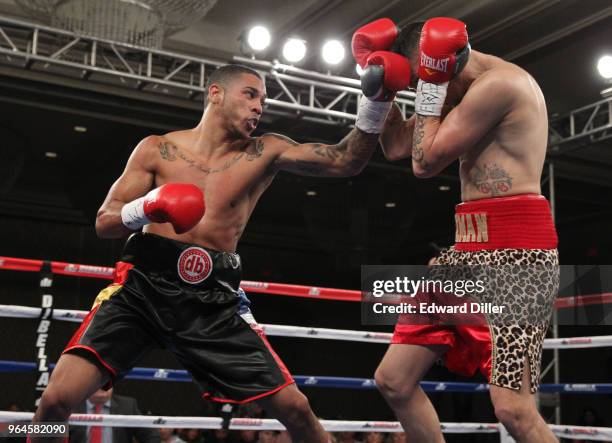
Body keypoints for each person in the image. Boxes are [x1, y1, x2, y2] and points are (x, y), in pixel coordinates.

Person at [31, 59, 410, 443]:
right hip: (141, 289)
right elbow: (104, 222)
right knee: (54, 401)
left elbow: (346, 161)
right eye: (250, 94)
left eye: (263, 99)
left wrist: (376, 102)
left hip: (213, 301)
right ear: (216, 93)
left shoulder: (266, 152)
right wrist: (145, 208)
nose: (259, 106)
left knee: (296, 410)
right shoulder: (157, 150)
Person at [358, 17, 559, 443]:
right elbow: (396, 146)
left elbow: (424, 163)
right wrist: (380, 89)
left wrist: (431, 86)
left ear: (445, 63)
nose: (422, 92)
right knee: (394, 379)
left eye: (424, 80)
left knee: (514, 410)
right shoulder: (457, 90)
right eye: (413, 84)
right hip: (465, 250)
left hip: (518, 255)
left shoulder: (501, 85)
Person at [69, 387, 160, 443]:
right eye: (98, 381)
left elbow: (151, 436)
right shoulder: (69, 406)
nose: (103, 385)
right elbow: (55, 435)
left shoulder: (127, 406)